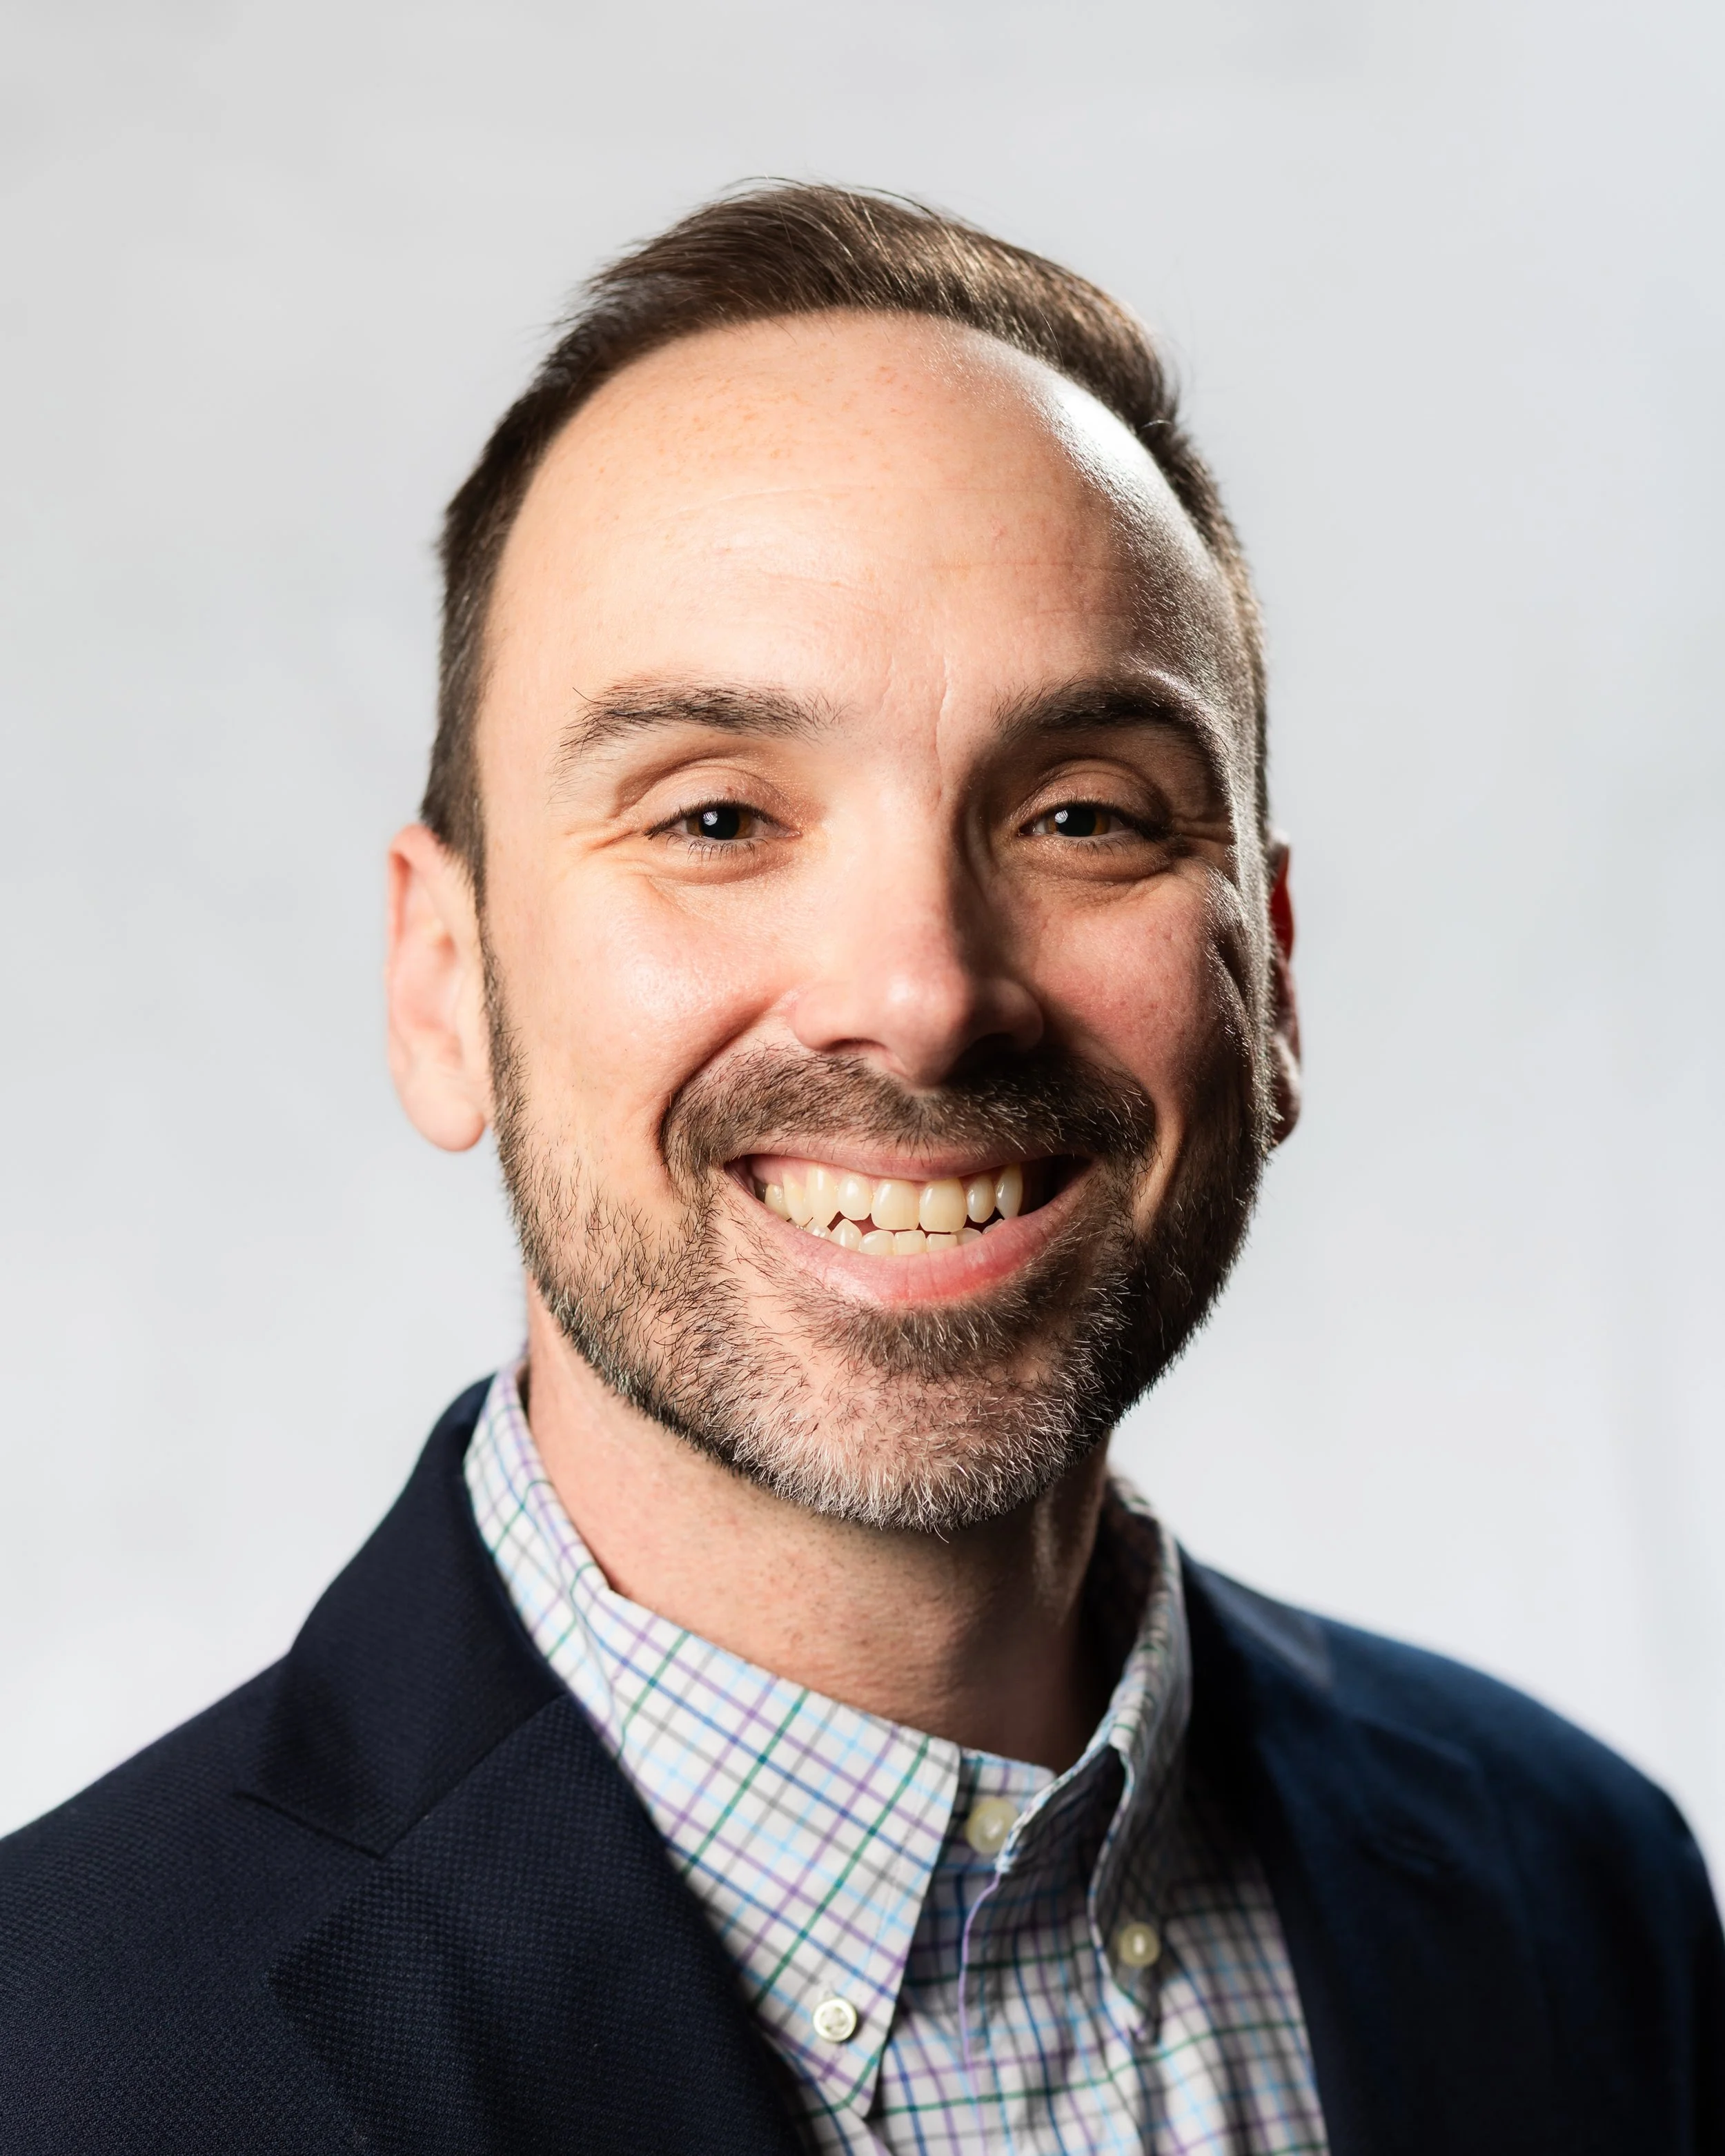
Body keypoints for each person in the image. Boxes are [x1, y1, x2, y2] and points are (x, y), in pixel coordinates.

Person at [0, 184, 1717, 2156]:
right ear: (441, 981)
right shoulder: (63, 2063)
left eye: (1083, 813)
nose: (921, 994)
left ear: (1272, 975)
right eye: (717, 812)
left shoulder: (1580, 1895)